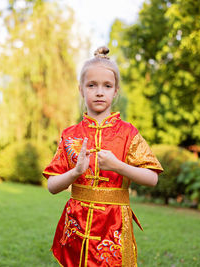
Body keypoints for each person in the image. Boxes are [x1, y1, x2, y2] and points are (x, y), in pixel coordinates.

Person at [43, 46, 163, 267]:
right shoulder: (70, 135)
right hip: (76, 227)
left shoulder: (128, 133)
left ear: (115, 91)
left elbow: (152, 178)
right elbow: (52, 186)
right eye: (92, 85)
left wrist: (118, 166)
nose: (99, 92)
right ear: (81, 89)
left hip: (114, 228)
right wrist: (76, 172)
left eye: (107, 86)